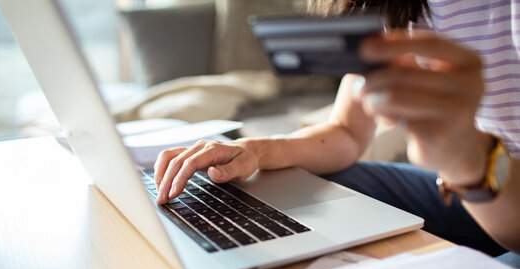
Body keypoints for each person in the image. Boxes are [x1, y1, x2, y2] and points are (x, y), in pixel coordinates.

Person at [153, 0, 520, 255]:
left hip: (503, 199)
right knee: (295, 189)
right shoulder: (395, 8)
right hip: (466, 191)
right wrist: (255, 151)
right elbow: (346, 131)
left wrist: (468, 158)